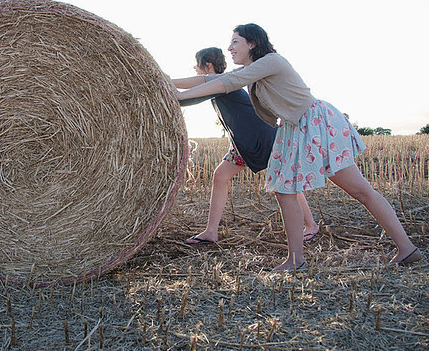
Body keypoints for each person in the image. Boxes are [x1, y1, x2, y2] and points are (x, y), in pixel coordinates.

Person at [173, 24, 423, 270]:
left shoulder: (271, 61)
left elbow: (228, 81)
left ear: (252, 43)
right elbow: (216, 79)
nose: (229, 48)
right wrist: (169, 85)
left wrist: (179, 95)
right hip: (296, 128)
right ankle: (296, 259)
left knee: (360, 191)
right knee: (285, 191)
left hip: (314, 124)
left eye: (235, 41)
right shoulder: (256, 74)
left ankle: (405, 248)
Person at [181, 47, 319, 245]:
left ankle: (311, 225)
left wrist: (170, 90)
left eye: (197, 63)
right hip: (245, 143)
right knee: (221, 176)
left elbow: (194, 91)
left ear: (208, 65)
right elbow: (195, 91)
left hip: (262, 138)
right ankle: (211, 231)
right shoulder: (222, 83)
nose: (195, 68)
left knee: (286, 182)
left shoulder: (224, 83)